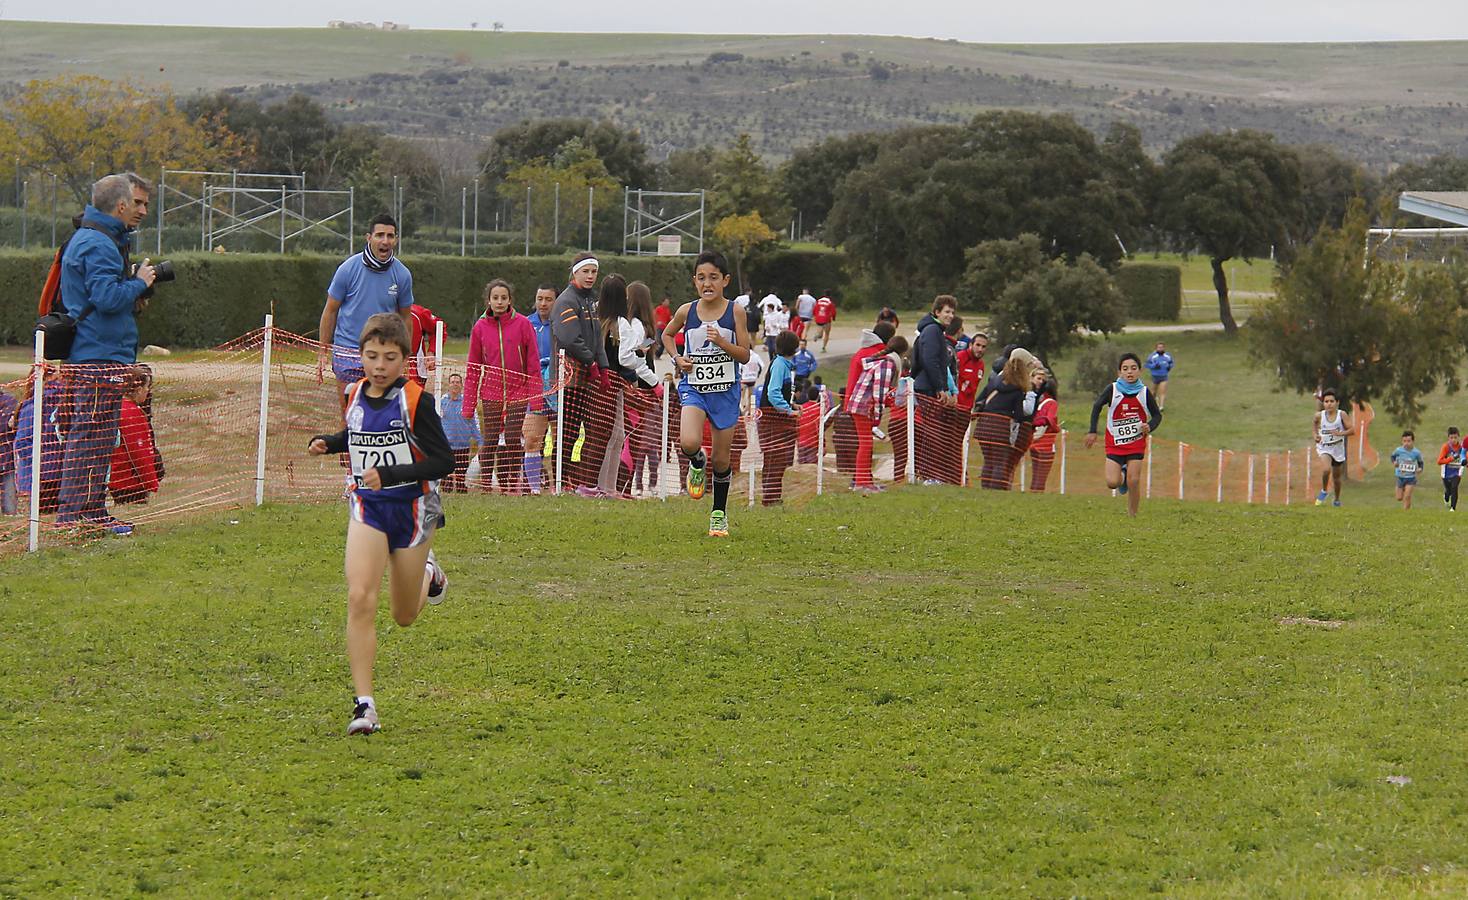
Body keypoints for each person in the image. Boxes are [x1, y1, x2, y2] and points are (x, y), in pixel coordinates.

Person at [306, 313, 453, 737]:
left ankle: (429, 574)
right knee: (359, 597)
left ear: (404, 359)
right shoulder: (353, 392)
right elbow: (355, 434)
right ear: (362, 357)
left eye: (389, 357)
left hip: (412, 510)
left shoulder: (415, 400)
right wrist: (329, 442)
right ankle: (365, 705)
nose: (380, 365)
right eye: (372, 356)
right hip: (368, 508)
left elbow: (444, 460)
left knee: (403, 615)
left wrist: (390, 475)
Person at [56, 172, 157, 536]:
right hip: (97, 353)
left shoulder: (93, 238)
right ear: (120, 204)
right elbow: (106, 298)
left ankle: (92, 513)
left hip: (100, 351)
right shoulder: (98, 244)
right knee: (91, 437)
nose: (142, 209)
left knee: (99, 438)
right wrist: (139, 283)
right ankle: (73, 516)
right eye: (138, 202)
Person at [661, 250, 753, 537]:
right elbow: (666, 335)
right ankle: (696, 462)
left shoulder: (735, 311)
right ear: (694, 282)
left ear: (725, 280)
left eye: (713, 277)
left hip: (725, 391)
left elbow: (745, 355)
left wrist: (722, 342)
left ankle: (718, 514)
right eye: (701, 278)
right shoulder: (686, 311)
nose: (707, 283)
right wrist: (678, 358)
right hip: (694, 387)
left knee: (722, 461)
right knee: (688, 441)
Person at [318, 214, 415, 413]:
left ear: (396, 239)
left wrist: (404, 355)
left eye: (390, 236)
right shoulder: (348, 269)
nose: (385, 241)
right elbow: (330, 310)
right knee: (350, 415)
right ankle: (348, 445)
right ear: (368, 238)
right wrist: (323, 351)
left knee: (380, 414)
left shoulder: (402, 274)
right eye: (380, 235)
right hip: (348, 352)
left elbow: (406, 317)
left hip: (384, 353)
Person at [463, 279, 538, 494]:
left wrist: (535, 399)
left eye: (503, 298)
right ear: (488, 300)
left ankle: (511, 482)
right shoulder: (480, 328)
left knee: (514, 437)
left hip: (518, 390)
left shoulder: (523, 324)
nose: (499, 301)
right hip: (491, 391)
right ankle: (486, 483)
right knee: (491, 438)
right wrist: (468, 405)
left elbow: (533, 364)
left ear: (510, 300)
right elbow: (474, 369)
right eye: (495, 298)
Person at [552, 254, 612, 490]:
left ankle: (580, 481)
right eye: (585, 271)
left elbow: (598, 338)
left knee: (591, 431)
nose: (590, 276)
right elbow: (569, 339)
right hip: (570, 379)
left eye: (593, 272)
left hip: (587, 377)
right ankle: (561, 479)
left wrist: (603, 365)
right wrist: (591, 363)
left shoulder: (590, 301)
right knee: (568, 432)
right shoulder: (567, 301)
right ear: (575, 273)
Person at [1086, 353, 1163, 517]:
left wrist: (1149, 426)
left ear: (1140, 371)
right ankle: (1122, 472)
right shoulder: (1112, 389)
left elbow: (1157, 415)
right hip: (1114, 442)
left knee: (1134, 480)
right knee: (1112, 483)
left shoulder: (1144, 392)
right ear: (1119, 372)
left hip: (1136, 442)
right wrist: (1093, 430)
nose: (1130, 372)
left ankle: (1132, 515)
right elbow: (1097, 407)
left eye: (1133, 368)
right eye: (1125, 369)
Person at [846, 335, 909, 492]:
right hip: (863, 406)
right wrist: (877, 416)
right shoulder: (888, 364)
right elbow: (879, 392)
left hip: (860, 404)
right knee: (866, 444)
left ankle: (866, 481)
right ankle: (861, 482)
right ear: (902, 353)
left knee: (866, 444)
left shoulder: (883, 361)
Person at [977, 349, 1043, 490]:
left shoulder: (995, 380)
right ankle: (997, 492)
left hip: (983, 426)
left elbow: (980, 400)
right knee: (1000, 462)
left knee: (989, 461)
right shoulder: (1018, 388)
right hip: (1000, 428)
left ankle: (985, 490)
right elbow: (1018, 414)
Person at [910, 296, 960, 485]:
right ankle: (929, 475)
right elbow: (930, 360)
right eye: (947, 311)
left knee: (931, 431)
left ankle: (927, 474)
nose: (950, 316)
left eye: (952, 312)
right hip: (927, 387)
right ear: (937, 312)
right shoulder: (932, 331)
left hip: (929, 385)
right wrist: (940, 388)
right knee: (932, 433)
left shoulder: (935, 330)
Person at [757, 330, 802, 505]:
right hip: (772, 420)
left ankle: (773, 496)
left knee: (777, 459)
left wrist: (791, 405)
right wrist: (788, 411)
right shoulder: (780, 365)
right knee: (775, 459)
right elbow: (774, 393)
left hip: (775, 418)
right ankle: (770, 498)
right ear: (795, 348)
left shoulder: (782, 364)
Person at [522, 284, 558, 494]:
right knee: (532, 439)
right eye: (540, 299)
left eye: (548, 299)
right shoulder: (526, 323)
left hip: (558, 389)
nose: (543, 303)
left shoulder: (562, 324)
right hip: (534, 391)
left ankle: (559, 486)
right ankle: (534, 488)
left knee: (560, 439)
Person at [108, 366, 161, 506]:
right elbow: (138, 452)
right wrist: (151, 482)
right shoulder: (132, 413)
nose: (148, 391)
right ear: (138, 390)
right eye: (146, 387)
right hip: (130, 481)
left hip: (115, 478)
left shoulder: (116, 406)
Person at [440, 373, 481, 493]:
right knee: (445, 478)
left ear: (461, 385)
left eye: (457, 382)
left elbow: (474, 423)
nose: (455, 384)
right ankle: (446, 496)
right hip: (446, 446)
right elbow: (434, 422)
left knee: (461, 479)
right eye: (452, 382)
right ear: (448, 384)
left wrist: (480, 441)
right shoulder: (441, 402)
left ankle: (461, 496)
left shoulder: (466, 403)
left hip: (463, 446)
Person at [1313, 389, 1354, 507]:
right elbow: (1314, 423)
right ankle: (1324, 490)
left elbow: (1352, 430)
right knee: (1326, 469)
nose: (1329, 404)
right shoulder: (1319, 415)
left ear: (1337, 403)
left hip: (1338, 449)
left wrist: (1340, 434)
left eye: (1331, 401)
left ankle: (1336, 499)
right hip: (1324, 447)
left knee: (1337, 478)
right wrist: (1315, 435)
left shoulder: (1342, 415)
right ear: (1323, 403)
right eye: (1326, 401)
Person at [1028, 373, 1060, 492]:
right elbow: (1050, 419)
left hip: (1034, 442)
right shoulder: (1052, 403)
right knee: (1042, 476)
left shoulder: (1040, 402)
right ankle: (1037, 495)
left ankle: (1032, 493)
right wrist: (1057, 428)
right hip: (1046, 444)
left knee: (1035, 474)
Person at [1391, 431, 1424, 510]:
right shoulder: (1399, 450)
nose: (1406, 443)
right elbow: (1392, 456)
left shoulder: (1416, 452)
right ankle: (1401, 489)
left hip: (1411, 478)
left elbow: (1420, 462)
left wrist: (1420, 469)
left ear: (1413, 441)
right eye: (1404, 441)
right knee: (1399, 498)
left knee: (1407, 496)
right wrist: (1394, 462)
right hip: (1400, 476)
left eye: (1408, 441)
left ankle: (1406, 512)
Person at [1439, 427, 1466, 512]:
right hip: (1446, 472)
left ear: (1458, 437)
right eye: (1451, 438)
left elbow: (1465, 456)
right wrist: (1450, 459)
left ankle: (1453, 508)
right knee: (1449, 490)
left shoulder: (1462, 447)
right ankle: (1446, 497)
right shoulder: (1446, 447)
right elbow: (1439, 461)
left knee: (1454, 487)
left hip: (1457, 471)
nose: (1453, 440)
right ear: (1448, 438)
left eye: (1455, 437)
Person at [1146, 341, 1175, 410]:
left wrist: (1169, 367)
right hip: (1155, 376)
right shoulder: (1152, 356)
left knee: (1162, 391)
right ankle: (1152, 404)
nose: (1160, 349)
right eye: (1159, 347)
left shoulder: (1167, 356)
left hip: (1164, 376)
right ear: (1156, 348)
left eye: (1162, 347)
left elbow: (1171, 363)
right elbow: (1147, 365)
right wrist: (1154, 366)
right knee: (1153, 392)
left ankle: (1161, 406)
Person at [0, 389, 15, 515]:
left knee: (7, 479)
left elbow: (7, 426)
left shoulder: (9, 401)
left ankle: (9, 511)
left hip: (5, 451)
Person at [739, 342, 764, 415]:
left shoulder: (743, 356)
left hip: (744, 378)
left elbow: (739, 367)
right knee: (750, 396)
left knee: (742, 396)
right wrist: (758, 374)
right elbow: (762, 365)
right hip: (753, 378)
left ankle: (742, 409)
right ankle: (749, 411)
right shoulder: (756, 356)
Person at [652, 295, 674, 359]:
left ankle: (658, 355)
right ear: (662, 302)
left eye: (668, 302)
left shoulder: (667, 310)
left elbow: (668, 319)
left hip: (665, 328)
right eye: (666, 301)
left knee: (664, 342)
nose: (668, 303)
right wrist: (657, 322)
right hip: (659, 327)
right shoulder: (658, 308)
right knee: (659, 341)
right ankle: (656, 354)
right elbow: (654, 316)